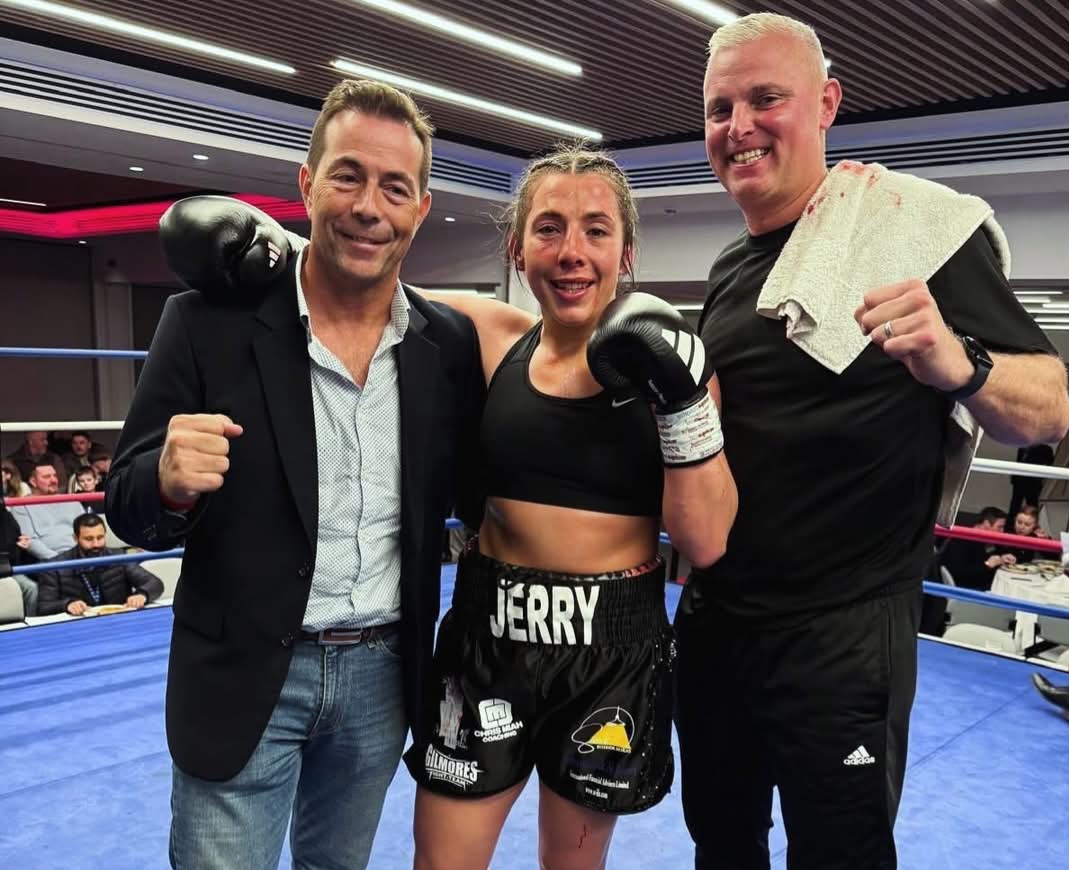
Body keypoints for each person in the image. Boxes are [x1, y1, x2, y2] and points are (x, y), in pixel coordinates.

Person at [156, 143, 738, 870]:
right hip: (487, 640)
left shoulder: (679, 369)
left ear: (625, 253)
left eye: (595, 230)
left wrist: (681, 400)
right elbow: (371, 281)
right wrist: (274, 247)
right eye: (548, 228)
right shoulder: (487, 336)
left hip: (610, 650)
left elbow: (705, 541)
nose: (571, 252)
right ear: (516, 248)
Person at [677, 12, 1069, 870]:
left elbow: (1049, 406)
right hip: (718, 624)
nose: (738, 126)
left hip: (841, 634)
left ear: (826, 105)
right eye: (718, 108)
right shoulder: (728, 271)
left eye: (765, 99)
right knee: (720, 843)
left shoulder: (909, 234)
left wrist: (957, 360)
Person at [105, 79, 484, 870]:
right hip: (244, 673)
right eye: (348, 176)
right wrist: (167, 479)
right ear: (307, 184)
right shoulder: (205, 323)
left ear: (420, 208)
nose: (368, 207)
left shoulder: (445, 345)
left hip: (382, 673)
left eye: (394, 188)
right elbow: (126, 503)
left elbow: (480, 489)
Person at [35, 513, 163, 616]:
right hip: (77, 625)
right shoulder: (55, 566)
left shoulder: (118, 557)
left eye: (100, 537)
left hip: (118, 620)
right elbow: (44, 607)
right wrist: (67, 604)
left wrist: (142, 595)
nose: (96, 544)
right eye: (89, 539)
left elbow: (155, 583)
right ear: (75, 538)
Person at [10, 460, 86, 560]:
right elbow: (29, 540)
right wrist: (58, 560)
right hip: (48, 561)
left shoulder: (72, 501)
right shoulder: (21, 506)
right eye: (47, 477)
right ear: (33, 481)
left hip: (81, 556)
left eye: (55, 476)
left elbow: (87, 530)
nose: (53, 480)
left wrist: (82, 555)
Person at [941, 506, 1012, 590]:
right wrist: (986, 565)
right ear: (986, 524)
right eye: (999, 527)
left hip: (984, 583)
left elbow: (993, 552)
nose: (1002, 531)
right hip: (968, 588)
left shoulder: (988, 539)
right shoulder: (961, 540)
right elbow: (958, 572)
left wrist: (1002, 558)